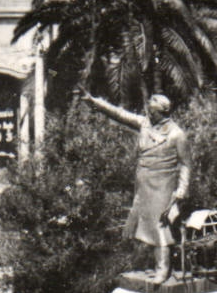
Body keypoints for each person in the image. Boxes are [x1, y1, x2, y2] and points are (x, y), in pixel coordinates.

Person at [81, 90, 192, 283]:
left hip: (163, 185)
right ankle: (150, 264)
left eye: (153, 112)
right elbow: (120, 114)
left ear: (163, 113)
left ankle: (163, 269)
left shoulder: (177, 135)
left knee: (160, 226)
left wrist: (181, 190)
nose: (149, 114)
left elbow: (185, 165)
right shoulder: (145, 124)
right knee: (144, 225)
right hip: (144, 183)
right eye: (149, 111)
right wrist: (94, 102)